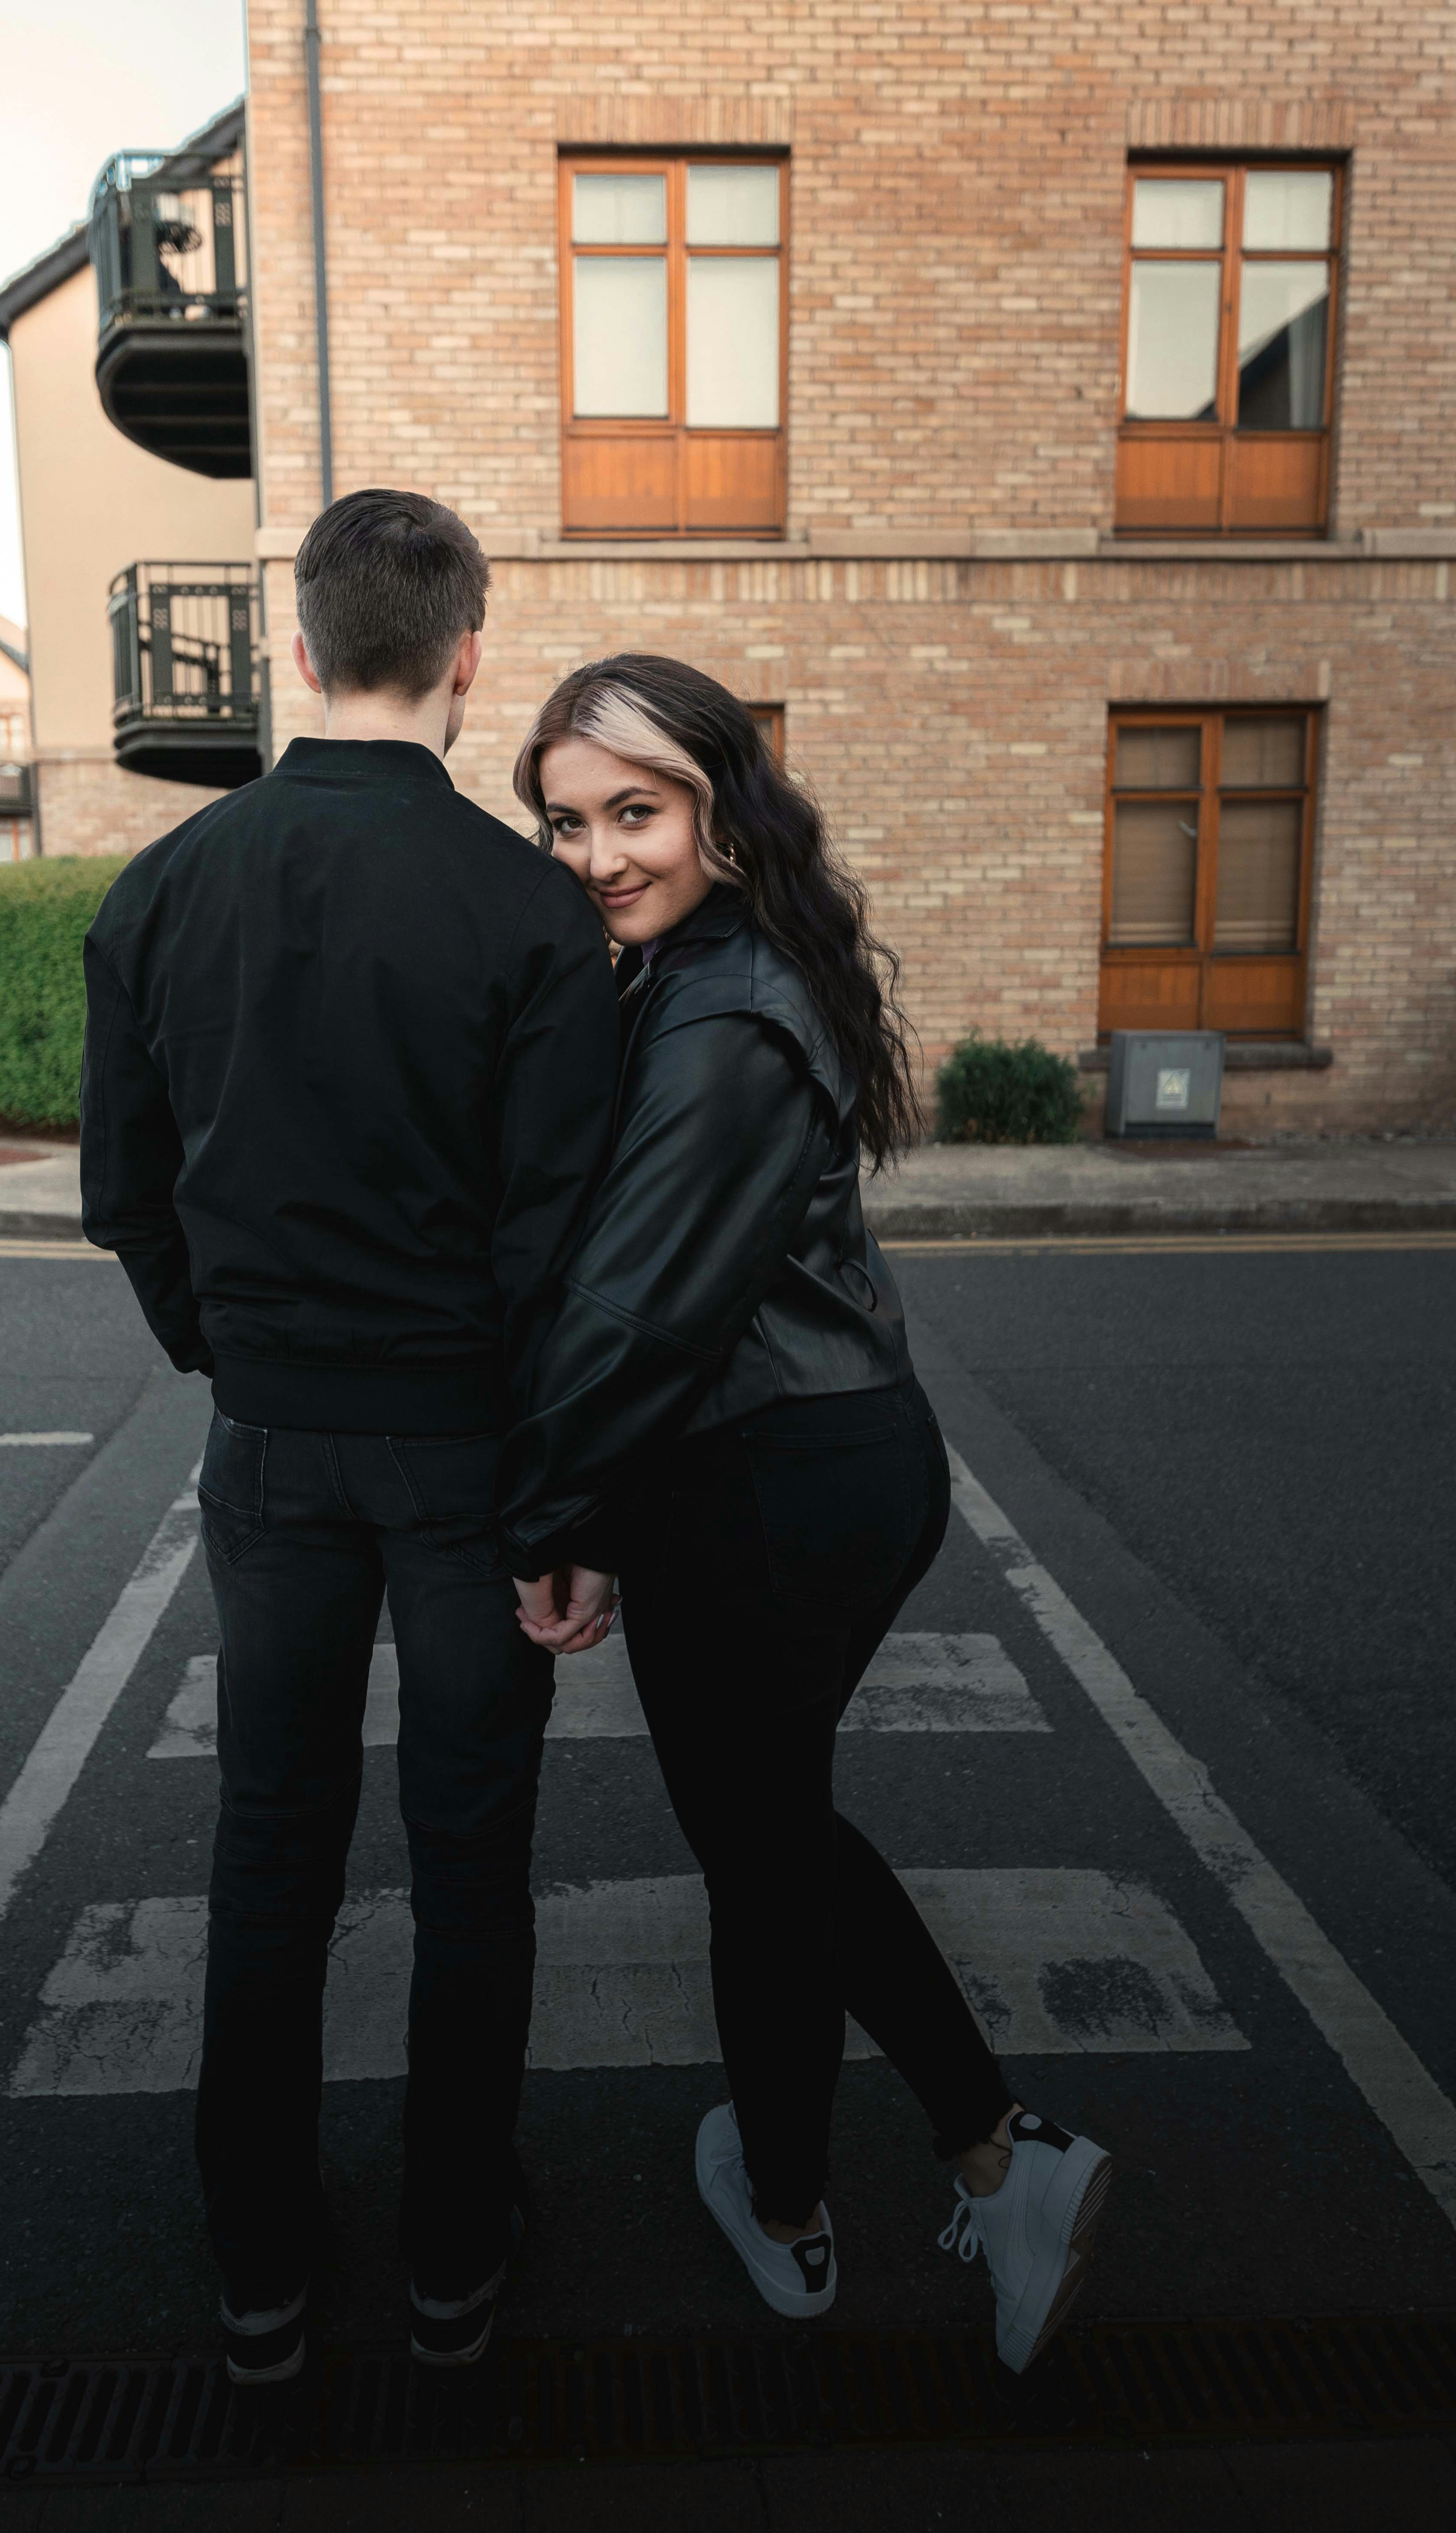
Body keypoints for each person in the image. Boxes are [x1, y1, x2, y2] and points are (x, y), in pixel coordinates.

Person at [498, 656, 1111, 2374]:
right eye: (565, 818)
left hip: (779, 1480)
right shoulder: (708, 970)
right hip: (770, 1462)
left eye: (637, 810)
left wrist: (550, 1510)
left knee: (761, 1836)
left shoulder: (723, 1010)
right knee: (764, 1838)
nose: (598, 851)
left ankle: (985, 2150)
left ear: (718, 808)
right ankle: (798, 2193)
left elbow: (635, 1305)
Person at [80, 490, 620, 2382]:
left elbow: (124, 1195)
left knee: (269, 1845)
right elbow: (560, 1249)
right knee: (471, 1861)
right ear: (466, 652)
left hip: (276, 1445)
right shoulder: (533, 911)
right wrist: (567, 1503)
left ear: (302, 650)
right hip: (470, 1452)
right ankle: (456, 2254)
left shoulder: (161, 891)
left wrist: (225, 1354)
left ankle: (259, 2270)